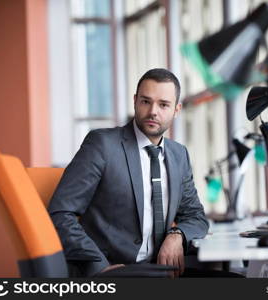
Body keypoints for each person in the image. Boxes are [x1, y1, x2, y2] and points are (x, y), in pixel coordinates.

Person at [48, 68, 209, 277]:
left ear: (176, 110)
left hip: (163, 271)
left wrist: (177, 235)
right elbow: (61, 213)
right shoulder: (102, 145)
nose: (153, 111)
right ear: (135, 101)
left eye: (163, 105)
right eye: (145, 101)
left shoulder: (179, 155)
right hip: (114, 272)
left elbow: (195, 216)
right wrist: (99, 267)